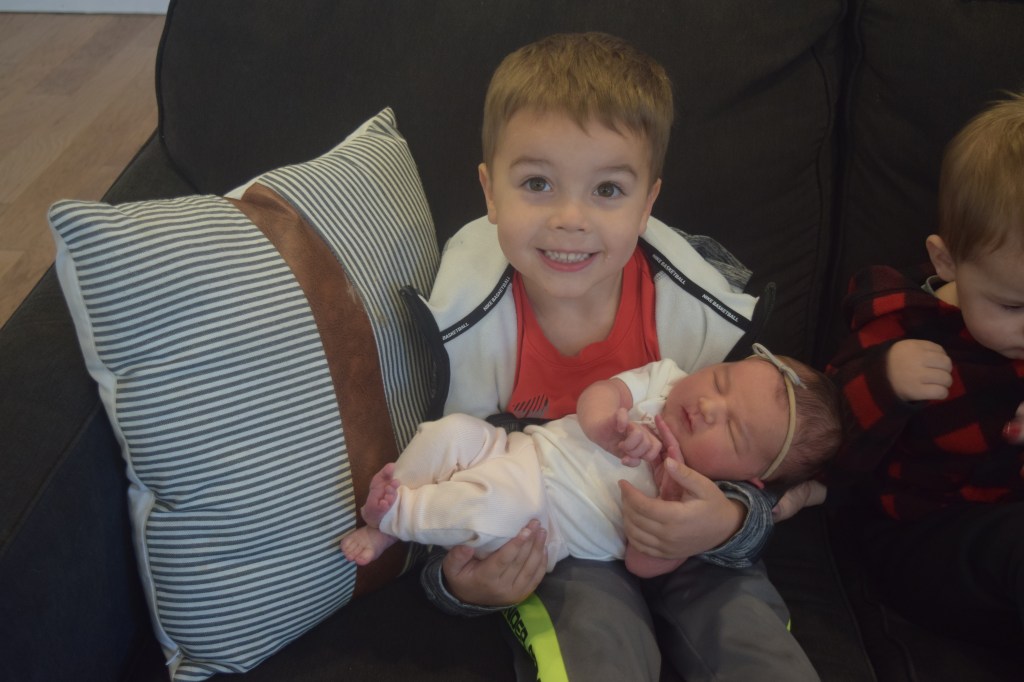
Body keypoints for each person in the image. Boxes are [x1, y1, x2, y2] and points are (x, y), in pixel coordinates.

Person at [402, 32, 822, 680]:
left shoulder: (695, 319)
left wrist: (729, 522)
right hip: (565, 545)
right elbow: (440, 483)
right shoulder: (464, 331)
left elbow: (774, 454)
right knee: (600, 649)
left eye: (607, 190)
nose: (571, 218)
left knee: (749, 637)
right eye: (537, 183)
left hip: (690, 535)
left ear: (648, 203)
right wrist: (459, 586)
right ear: (490, 193)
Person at [342, 347, 842, 580]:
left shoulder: (696, 495)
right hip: (517, 448)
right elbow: (601, 393)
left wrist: (667, 509)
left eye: (732, 430)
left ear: (748, 479)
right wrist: (608, 425)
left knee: (498, 506)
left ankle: (399, 514)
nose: (710, 405)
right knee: (452, 430)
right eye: (722, 381)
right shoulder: (666, 379)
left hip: (540, 519)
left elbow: (643, 565)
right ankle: (393, 504)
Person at [826, 92, 1024, 645]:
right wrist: (885, 383)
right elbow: (828, 445)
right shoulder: (901, 327)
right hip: (917, 535)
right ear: (947, 260)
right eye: (1013, 306)